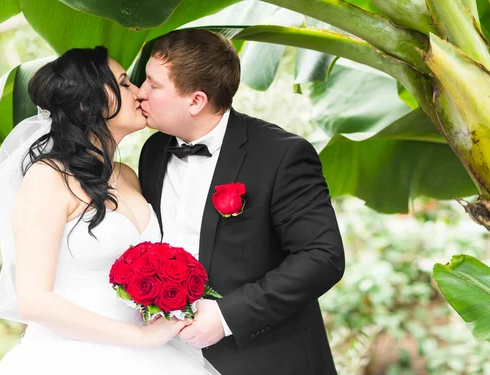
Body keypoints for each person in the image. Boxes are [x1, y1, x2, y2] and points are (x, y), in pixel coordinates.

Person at [0, 46, 219, 374]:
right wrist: (139, 338)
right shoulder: (49, 179)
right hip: (72, 358)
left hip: (153, 353)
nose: (140, 92)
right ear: (89, 103)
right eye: (125, 83)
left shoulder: (127, 175)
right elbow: (34, 301)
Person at [138, 29, 345, 375]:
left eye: (153, 85)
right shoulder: (154, 151)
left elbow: (322, 257)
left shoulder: (281, 154)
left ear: (195, 101)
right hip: (172, 357)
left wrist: (226, 315)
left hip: (268, 358)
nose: (140, 93)